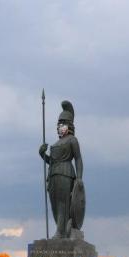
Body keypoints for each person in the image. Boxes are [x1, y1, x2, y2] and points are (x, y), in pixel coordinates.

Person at [39, 101, 83, 238]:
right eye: (59, 123)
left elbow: (78, 159)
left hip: (66, 173)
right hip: (53, 175)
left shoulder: (72, 140)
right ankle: (60, 230)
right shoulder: (56, 144)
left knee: (63, 203)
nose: (60, 126)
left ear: (69, 124)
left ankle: (61, 231)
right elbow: (51, 161)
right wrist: (42, 154)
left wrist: (80, 178)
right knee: (54, 204)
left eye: (63, 123)